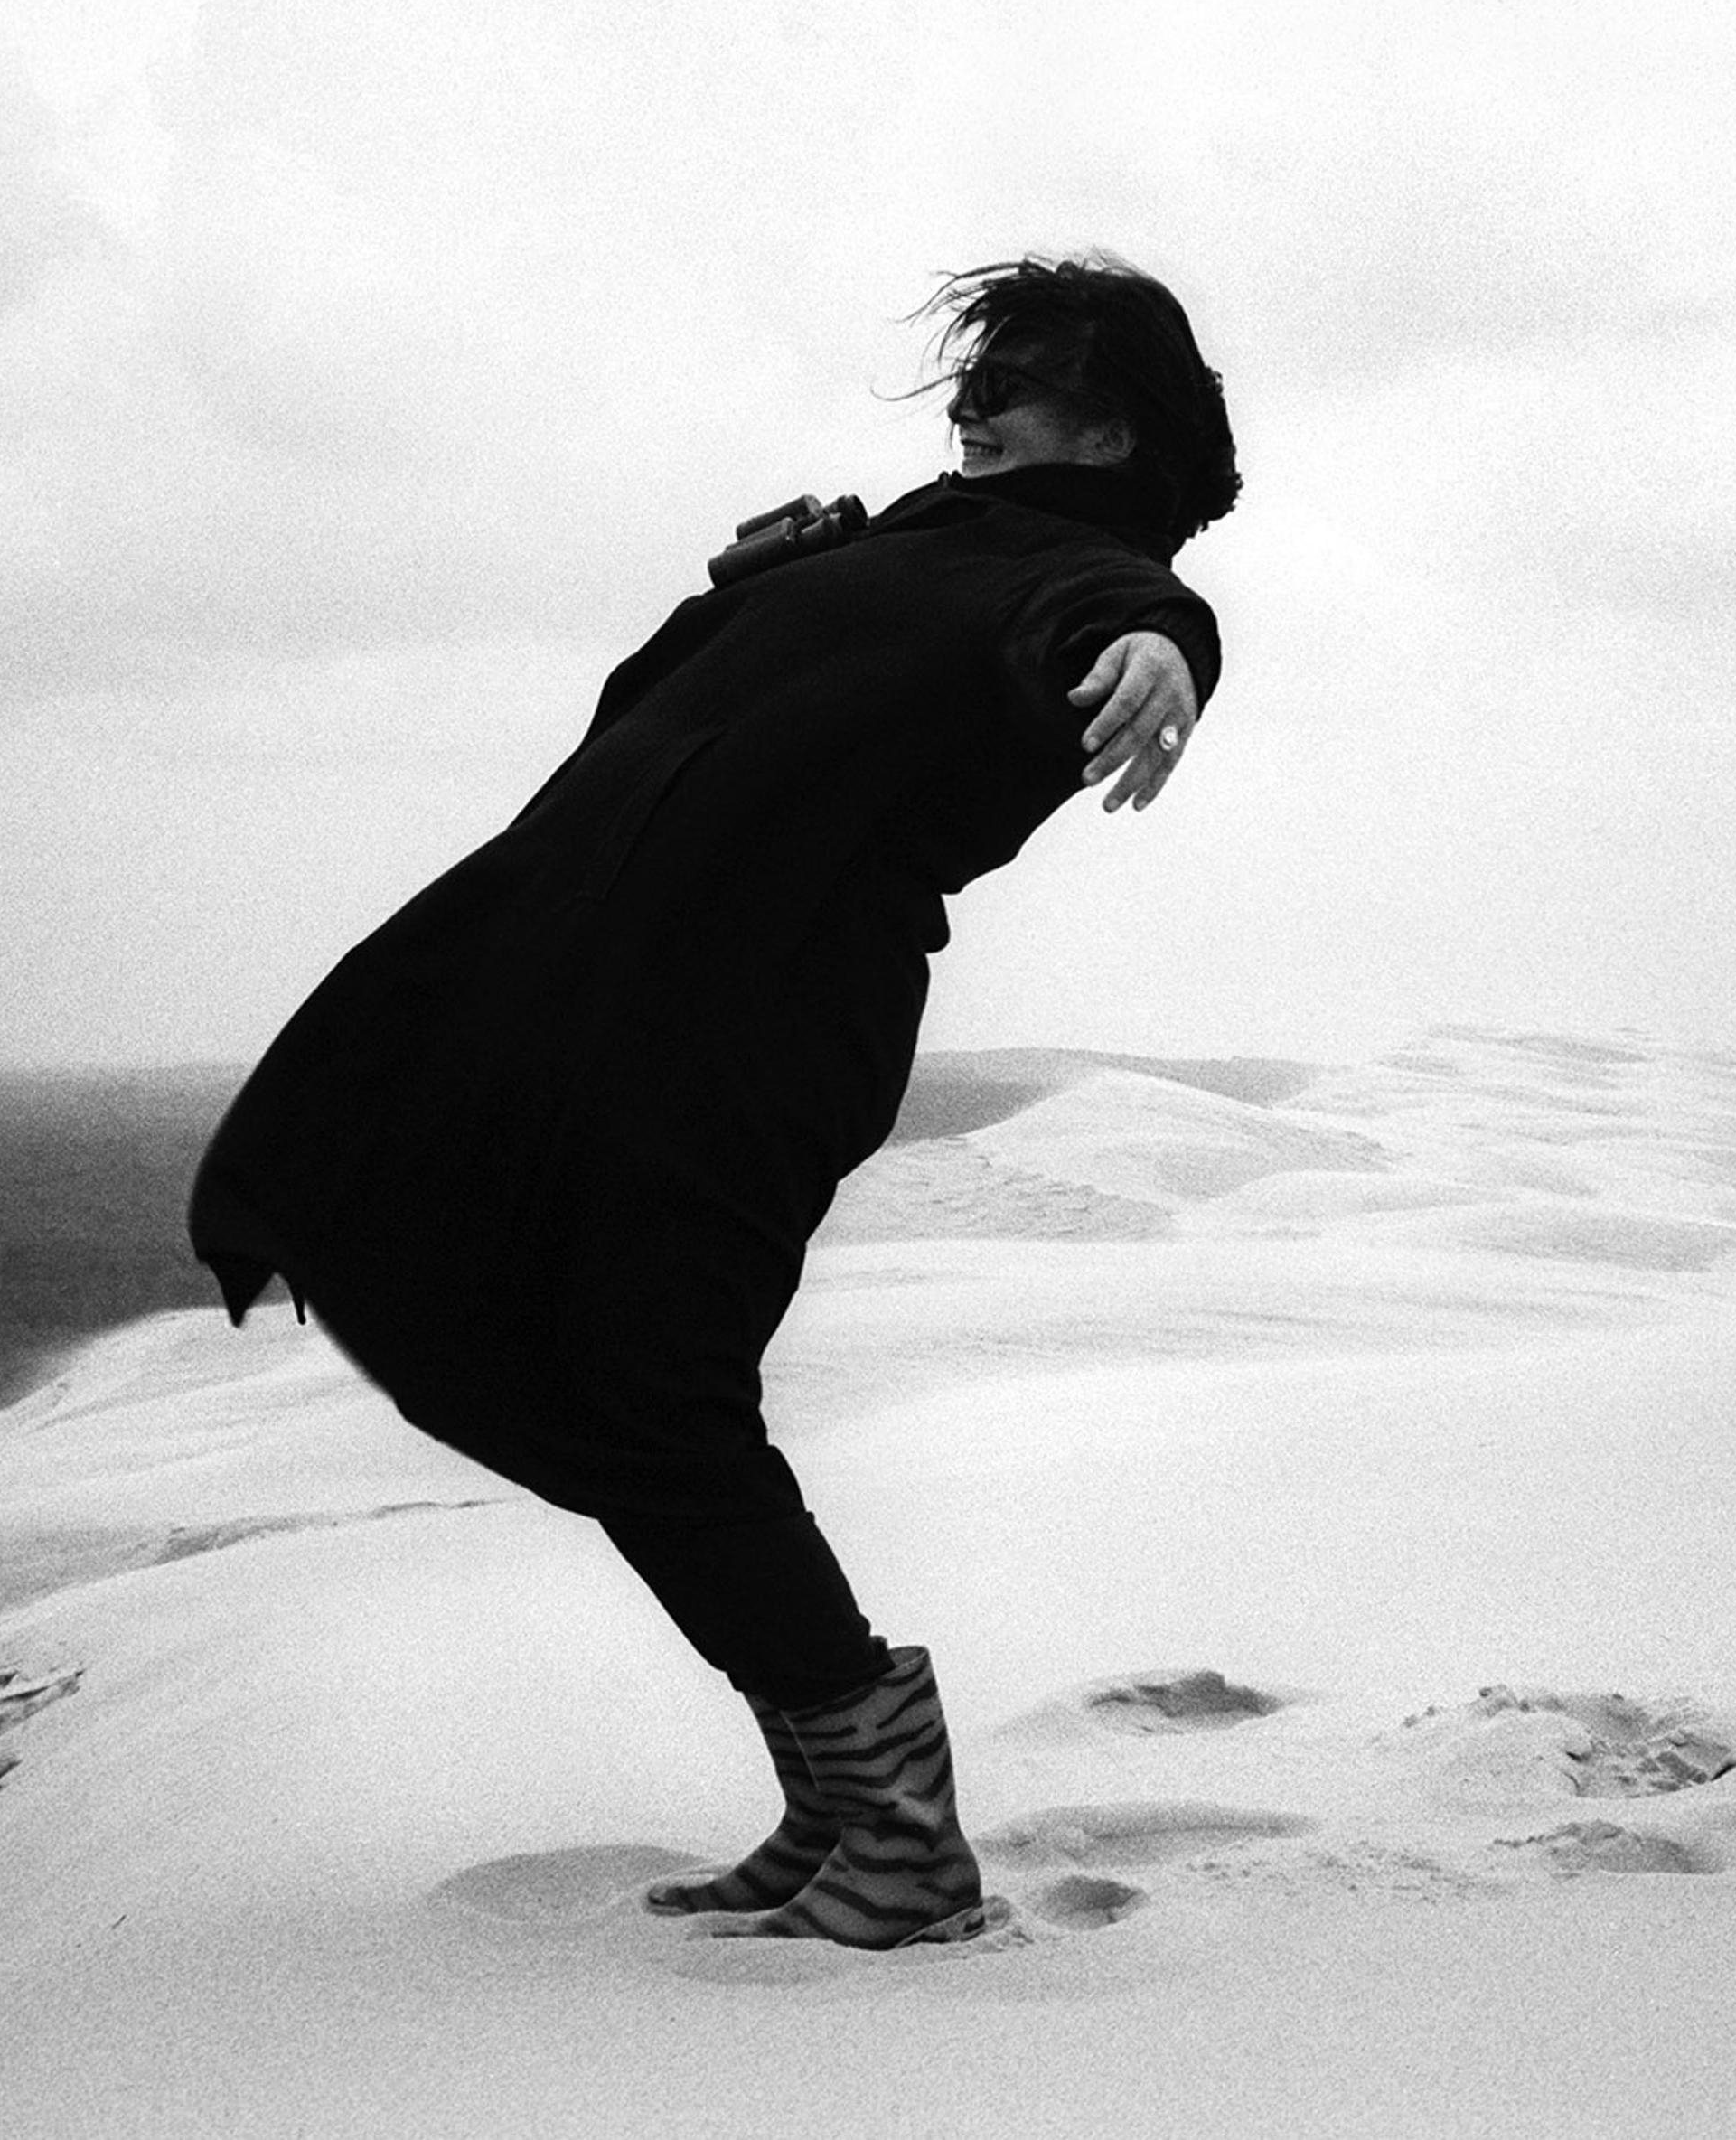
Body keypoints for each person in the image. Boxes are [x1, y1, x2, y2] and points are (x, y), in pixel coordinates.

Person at [187, 254, 1239, 1949]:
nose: (969, 406)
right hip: (592, 990)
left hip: (754, 1026)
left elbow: (1115, 619)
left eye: (1014, 382)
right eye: (970, 380)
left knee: (658, 1400)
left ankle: (896, 1829)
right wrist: (742, 593)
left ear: (1112, 430)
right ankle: (837, 1803)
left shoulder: (1076, 571)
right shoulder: (895, 545)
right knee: (502, 1325)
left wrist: (1158, 656)